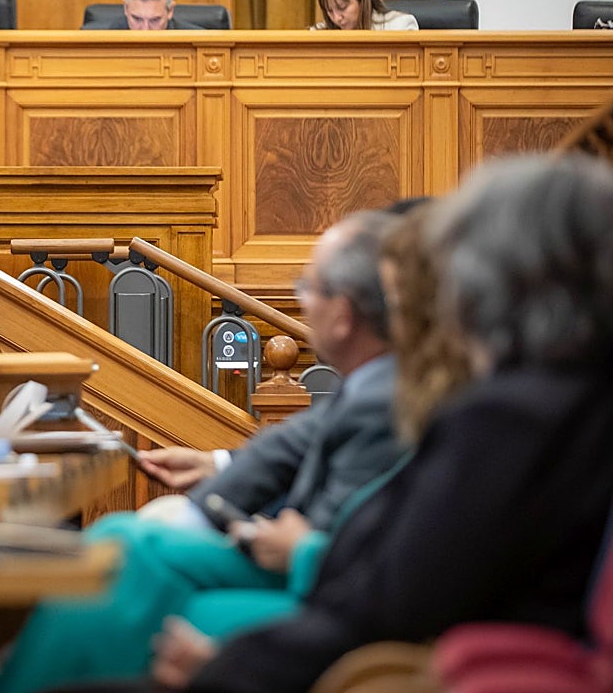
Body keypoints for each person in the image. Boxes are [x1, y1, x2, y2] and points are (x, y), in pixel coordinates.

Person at [159, 154, 613, 693]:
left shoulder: (510, 419)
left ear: (482, 285)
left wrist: (221, 669)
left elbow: (392, 605)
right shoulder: (577, 402)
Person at [0, 209, 405, 693]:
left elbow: (338, 534)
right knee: (124, 543)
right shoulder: (374, 382)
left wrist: (296, 546)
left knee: (124, 551)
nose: (301, 303)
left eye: (309, 289)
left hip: (323, 578)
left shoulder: (383, 393)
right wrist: (218, 470)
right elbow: (299, 450)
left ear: (344, 314)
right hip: (312, 560)